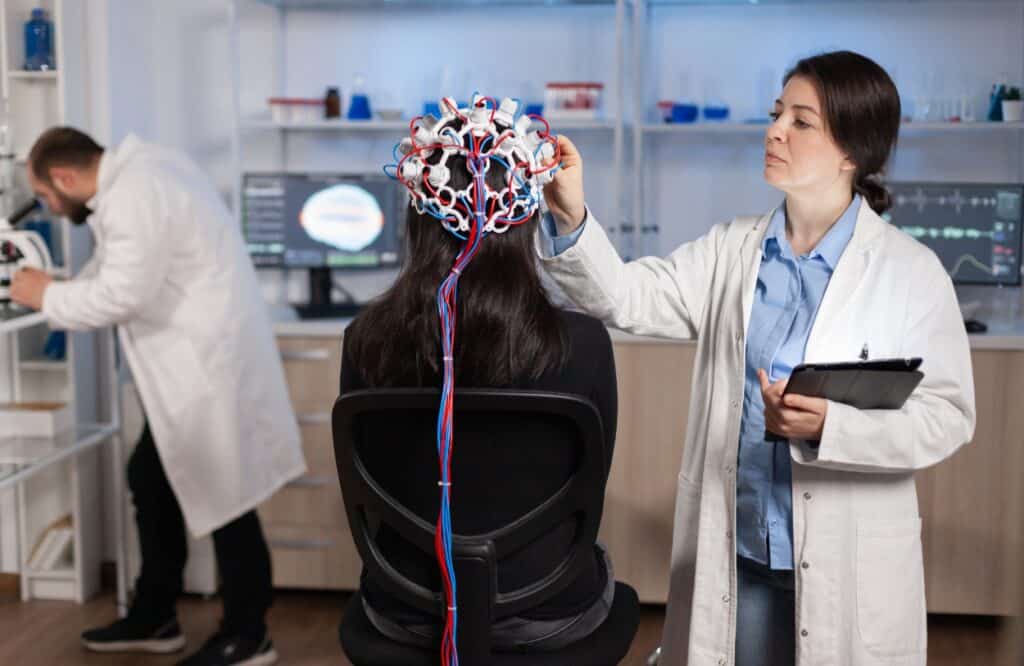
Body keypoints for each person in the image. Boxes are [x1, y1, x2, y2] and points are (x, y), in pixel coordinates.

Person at [538, 51, 975, 665]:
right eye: (777, 114)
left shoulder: (910, 273)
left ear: (852, 151)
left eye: (801, 121)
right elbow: (625, 297)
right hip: (739, 551)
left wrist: (833, 427)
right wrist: (570, 212)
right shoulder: (731, 250)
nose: (774, 131)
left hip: (849, 561)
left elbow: (949, 415)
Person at [11, 127, 305, 666]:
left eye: (49, 198)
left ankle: (248, 634)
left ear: (65, 177)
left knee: (226, 497)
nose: (51, 209)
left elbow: (123, 293)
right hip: (199, 362)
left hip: (204, 369)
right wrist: (56, 285)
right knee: (150, 478)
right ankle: (155, 615)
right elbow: (115, 269)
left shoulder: (132, 196)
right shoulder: (144, 171)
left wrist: (45, 294)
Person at [339, 98, 619, 652]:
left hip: (406, 605)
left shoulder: (365, 340)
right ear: (526, 219)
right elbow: (594, 477)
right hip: (547, 605)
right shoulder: (582, 345)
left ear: (417, 217)